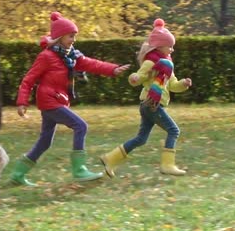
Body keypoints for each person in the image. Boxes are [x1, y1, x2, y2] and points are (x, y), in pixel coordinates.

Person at [10, 12, 130, 186]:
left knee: (45, 142)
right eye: (70, 36)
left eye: (75, 36)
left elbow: (91, 63)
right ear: (59, 37)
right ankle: (79, 170)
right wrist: (22, 102)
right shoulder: (47, 56)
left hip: (57, 100)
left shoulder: (71, 56)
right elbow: (29, 79)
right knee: (80, 125)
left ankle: (18, 173)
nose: (73, 39)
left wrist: (113, 69)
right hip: (49, 101)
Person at [100, 18, 192, 177]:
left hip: (152, 105)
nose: (172, 50)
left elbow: (172, 85)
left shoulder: (167, 66)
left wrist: (183, 84)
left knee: (141, 138)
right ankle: (167, 165)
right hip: (151, 104)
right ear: (159, 46)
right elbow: (139, 77)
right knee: (173, 130)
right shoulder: (151, 62)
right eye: (169, 46)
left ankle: (110, 159)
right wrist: (134, 78)